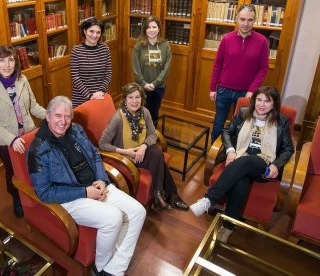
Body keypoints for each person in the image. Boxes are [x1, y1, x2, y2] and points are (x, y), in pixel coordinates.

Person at [28, 96, 146, 276]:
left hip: (96, 186)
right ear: (48, 116)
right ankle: (100, 268)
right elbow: (44, 192)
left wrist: (102, 179)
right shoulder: (38, 149)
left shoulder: (76, 130)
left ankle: (113, 270)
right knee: (113, 218)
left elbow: (95, 155)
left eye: (67, 116)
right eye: (58, 116)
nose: (63, 121)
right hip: (71, 198)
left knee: (138, 212)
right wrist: (84, 192)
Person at [190, 86, 294, 243]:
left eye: (267, 101)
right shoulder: (243, 113)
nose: (262, 104)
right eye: (259, 99)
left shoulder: (281, 121)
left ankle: (209, 199)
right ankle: (228, 227)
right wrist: (231, 150)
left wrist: (276, 165)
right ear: (254, 100)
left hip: (264, 166)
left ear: (274, 104)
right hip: (239, 158)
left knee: (246, 161)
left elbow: (288, 149)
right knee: (240, 180)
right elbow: (226, 131)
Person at [99, 82, 188, 211]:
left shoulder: (144, 112)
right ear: (124, 99)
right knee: (159, 159)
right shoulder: (117, 118)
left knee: (156, 152)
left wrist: (144, 146)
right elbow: (102, 144)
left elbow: (152, 134)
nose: (134, 101)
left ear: (142, 98)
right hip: (125, 157)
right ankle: (171, 196)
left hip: (141, 153)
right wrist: (126, 151)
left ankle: (158, 195)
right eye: (130, 97)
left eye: (137, 97)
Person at [0, 46, 46, 218]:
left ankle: (36, 195)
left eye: (10, 59)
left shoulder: (22, 79)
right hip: (5, 142)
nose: (7, 64)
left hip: (28, 135)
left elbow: (33, 106)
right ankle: (16, 198)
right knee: (14, 172)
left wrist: (53, 116)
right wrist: (11, 139)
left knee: (33, 167)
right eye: (2, 60)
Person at [210, 4, 269, 143]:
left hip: (245, 94)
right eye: (242, 19)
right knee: (219, 122)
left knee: (241, 125)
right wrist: (213, 88)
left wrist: (252, 90)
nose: (245, 23)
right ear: (236, 18)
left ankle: (235, 151)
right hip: (224, 90)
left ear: (254, 21)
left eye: (250, 20)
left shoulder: (261, 41)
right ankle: (214, 151)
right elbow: (217, 64)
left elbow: (263, 69)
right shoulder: (226, 38)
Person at [132, 16, 172, 126]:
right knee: (141, 114)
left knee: (154, 114)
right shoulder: (138, 46)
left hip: (158, 87)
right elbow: (136, 69)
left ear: (159, 29)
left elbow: (166, 68)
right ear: (145, 29)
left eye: (154, 27)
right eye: (148, 27)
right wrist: (144, 84)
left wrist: (155, 83)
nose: (151, 30)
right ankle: (140, 137)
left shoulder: (165, 46)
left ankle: (152, 137)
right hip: (141, 87)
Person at [70, 17, 112, 108]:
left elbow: (108, 74)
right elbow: (75, 78)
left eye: (98, 32)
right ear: (85, 31)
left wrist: (101, 91)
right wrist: (90, 96)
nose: (95, 35)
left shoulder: (105, 49)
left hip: (101, 96)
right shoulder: (76, 51)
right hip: (81, 98)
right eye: (91, 31)